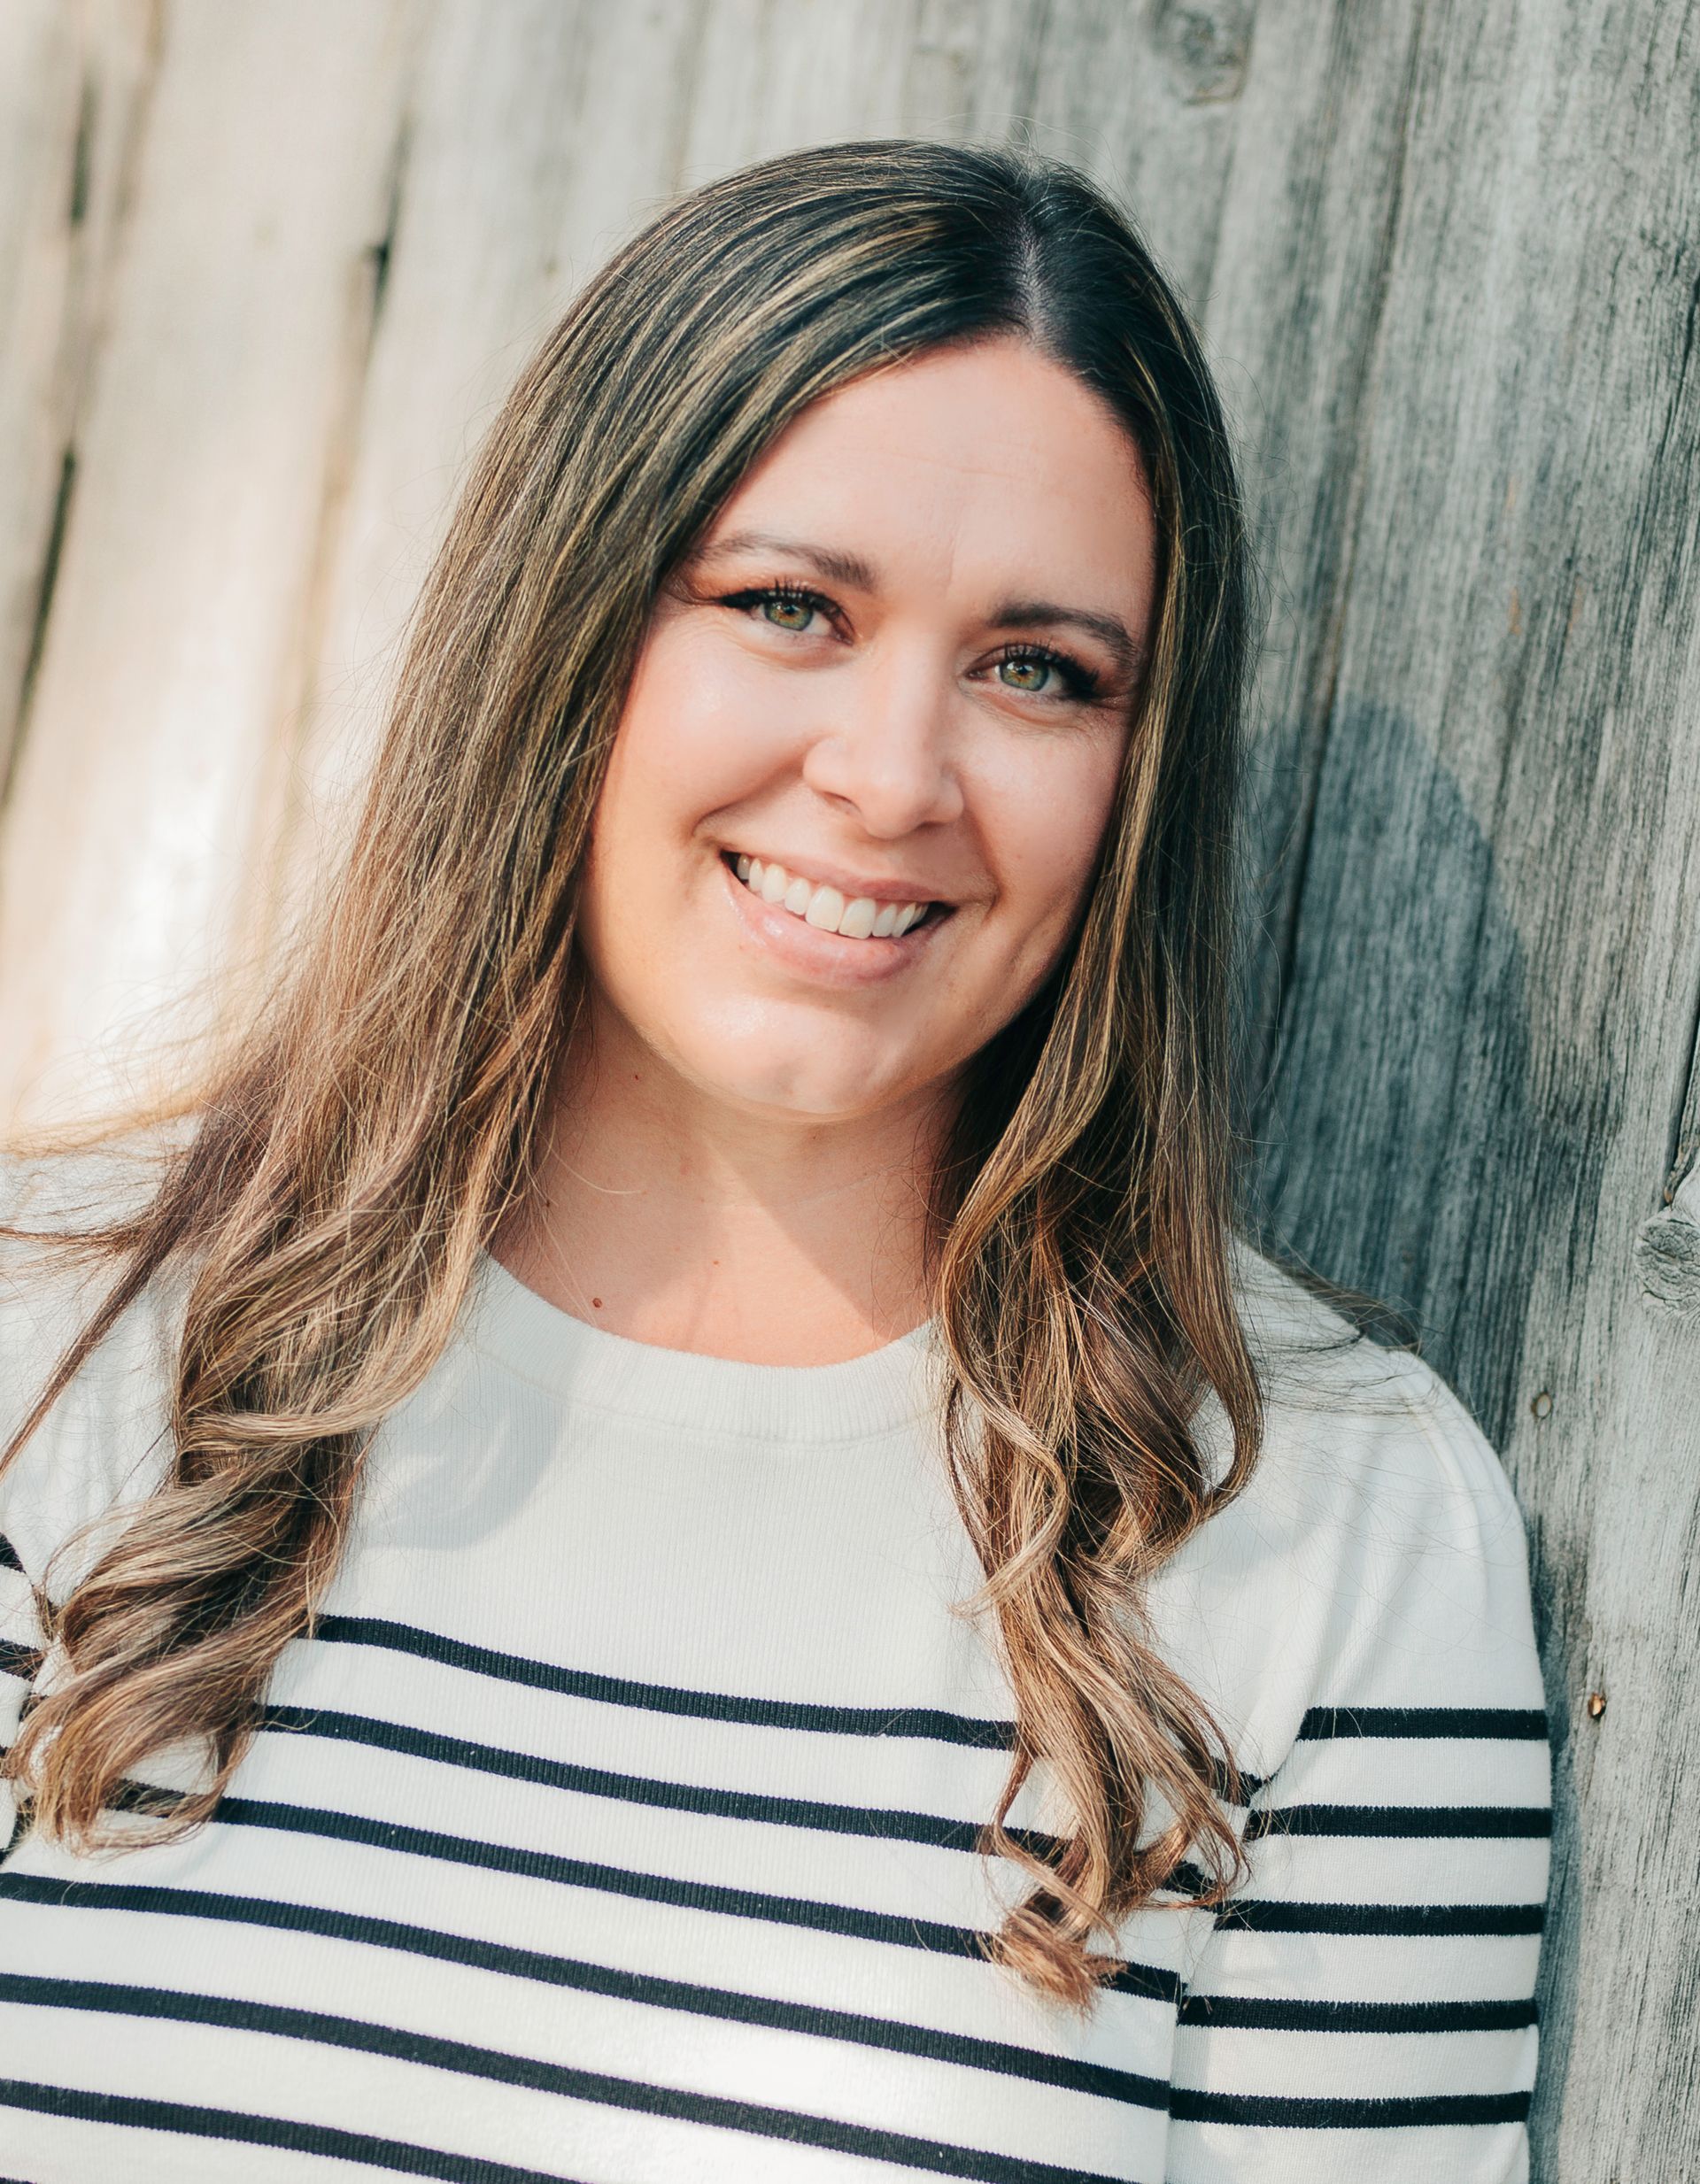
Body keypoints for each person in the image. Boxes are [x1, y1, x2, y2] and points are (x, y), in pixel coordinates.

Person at [0, 137, 1549, 2183]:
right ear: (562, 635)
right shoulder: (58, 1354)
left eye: (1037, 671)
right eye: (790, 605)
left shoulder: (1331, 1538)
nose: (893, 776)